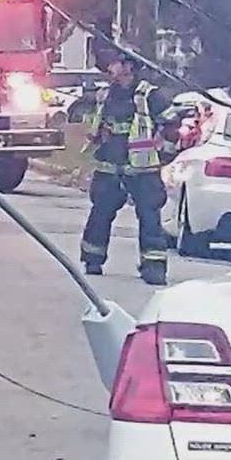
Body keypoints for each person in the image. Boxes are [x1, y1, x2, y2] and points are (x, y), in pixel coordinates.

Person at [81, 51, 176, 286]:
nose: (109, 69)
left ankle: (153, 267)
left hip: (143, 169)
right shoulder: (104, 95)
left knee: (149, 217)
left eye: (113, 63)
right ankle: (92, 259)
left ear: (128, 67)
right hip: (109, 165)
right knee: (100, 214)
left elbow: (172, 124)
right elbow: (93, 125)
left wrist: (164, 150)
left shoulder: (150, 96)